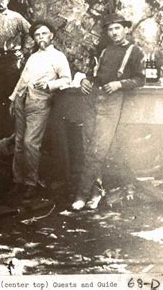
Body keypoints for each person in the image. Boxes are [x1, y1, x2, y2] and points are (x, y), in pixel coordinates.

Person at [71, 13, 145, 211]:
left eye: (117, 28)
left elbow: (140, 80)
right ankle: (95, 191)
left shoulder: (134, 51)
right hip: (93, 99)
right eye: (110, 29)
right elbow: (95, 76)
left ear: (126, 29)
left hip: (113, 101)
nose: (114, 33)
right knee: (88, 146)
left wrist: (120, 83)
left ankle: (82, 195)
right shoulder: (104, 51)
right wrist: (84, 81)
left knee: (98, 149)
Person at [8, 20, 72, 202]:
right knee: (19, 141)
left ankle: (31, 183)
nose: (40, 38)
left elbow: (67, 79)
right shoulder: (33, 57)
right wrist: (13, 99)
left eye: (44, 34)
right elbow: (22, 79)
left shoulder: (58, 56)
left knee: (30, 143)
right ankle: (17, 181)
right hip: (22, 100)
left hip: (40, 102)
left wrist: (49, 85)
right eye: (37, 35)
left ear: (51, 35)